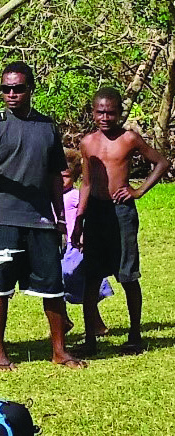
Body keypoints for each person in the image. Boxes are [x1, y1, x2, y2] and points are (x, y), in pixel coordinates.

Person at [0, 61, 84, 370]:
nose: (11, 94)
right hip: (3, 217)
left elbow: (56, 175)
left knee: (52, 287)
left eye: (17, 88)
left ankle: (59, 350)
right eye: (6, 89)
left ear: (30, 89)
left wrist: (59, 217)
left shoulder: (46, 126)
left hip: (40, 218)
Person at [74, 87, 170, 355]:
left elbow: (161, 162)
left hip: (121, 212)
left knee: (127, 273)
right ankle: (91, 339)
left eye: (111, 112)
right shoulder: (87, 143)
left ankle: (135, 334)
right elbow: (86, 183)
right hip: (96, 212)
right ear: (93, 112)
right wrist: (79, 220)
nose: (105, 117)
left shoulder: (129, 139)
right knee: (91, 276)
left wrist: (137, 191)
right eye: (100, 112)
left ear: (119, 113)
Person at [61, 148, 113, 336]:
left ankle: (96, 324)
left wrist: (84, 235)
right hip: (60, 246)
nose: (61, 180)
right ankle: (63, 320)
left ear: (74, 176)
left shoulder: (75, 196)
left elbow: (86, 215)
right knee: (58, 283)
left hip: (76, 246)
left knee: (78, 281)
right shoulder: (52, 196)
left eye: (66, 176)